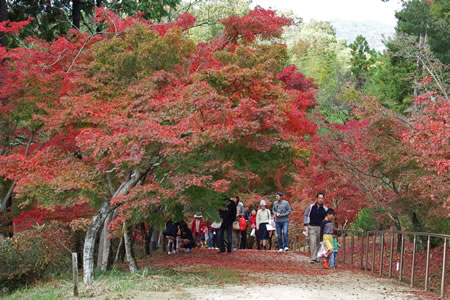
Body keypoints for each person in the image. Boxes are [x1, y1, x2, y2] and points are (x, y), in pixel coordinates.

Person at [303, 192, 328, 263]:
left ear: (323, 199)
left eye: (322, 198)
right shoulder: (311, 207)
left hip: (321, 228)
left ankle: (318, 257)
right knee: (312, 242)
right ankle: (313, 257)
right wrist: (305, 224)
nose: (320, 200)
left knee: (319, 243)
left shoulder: (325, 209)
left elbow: (327, 219)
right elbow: (305, 215)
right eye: (319, 198)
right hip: (312, 227)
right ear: (316, 199)